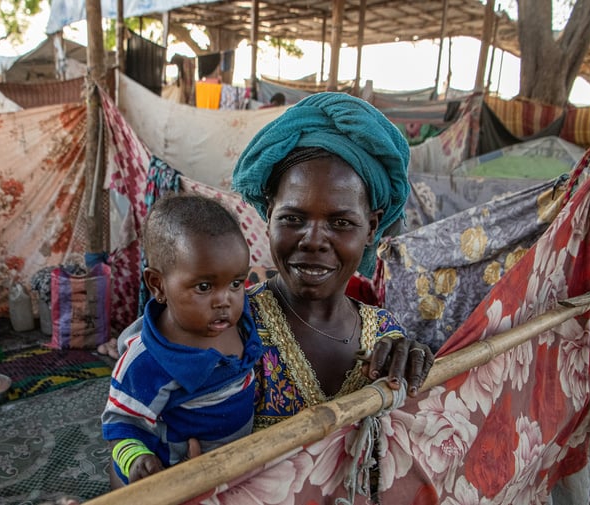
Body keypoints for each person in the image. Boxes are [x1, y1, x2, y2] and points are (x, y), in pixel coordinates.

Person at [231, 92, 434, 432]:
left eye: (340, 223)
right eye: (293, 219)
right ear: (268, 217)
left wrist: (413, 371)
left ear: (371, 227)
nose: (312, 240)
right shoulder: (230, 324)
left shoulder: (385, 333)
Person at [101, 194, 263, 485]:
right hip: (182, 473)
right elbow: (120, 424)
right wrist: (136, 459)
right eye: (204, 287)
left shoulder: (243, 320)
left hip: (240, 463)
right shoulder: (149, 362)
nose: (225, 300)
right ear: (158, 284)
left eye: (236, 283)